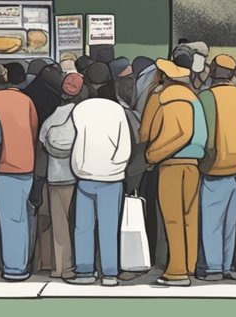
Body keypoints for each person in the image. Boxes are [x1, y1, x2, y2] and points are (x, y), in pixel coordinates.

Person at [144, 54, 207, 287]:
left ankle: (177, 271)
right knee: (189, 217)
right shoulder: (194, 99)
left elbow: (146, 133)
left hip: (170, 164)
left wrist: (152, 155)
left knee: (172, 219)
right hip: (193, 165)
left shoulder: (163, 98)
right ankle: (189, 265)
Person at [69, 83, 132, 286]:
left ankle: (85, 271)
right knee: (108, 227)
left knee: (83, 227)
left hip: (85, 176)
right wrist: (116, 166)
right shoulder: (118, 111)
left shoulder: (80, 109)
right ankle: (110, 273)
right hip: (112, 178)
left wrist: (78, 167)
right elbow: (125, 147)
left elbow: (75, 141)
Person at [197, 54, 236, 280]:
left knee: (211, 222)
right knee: (231, 223)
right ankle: (229, 266)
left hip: (214, 168)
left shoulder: (207, 96)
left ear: (212, 72)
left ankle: (213, 267)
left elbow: (207, 138)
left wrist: (204, 161)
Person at [0, 62, 40, 282]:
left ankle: (13, 268)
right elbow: (33, 130)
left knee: (8, 219)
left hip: (3, 165)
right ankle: (22, 263)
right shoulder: (27, 101)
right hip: (26, 164)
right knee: (22, 218)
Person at [38, 74, 80, 281]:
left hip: (54, 178)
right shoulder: (81, 117)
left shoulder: (50, 119)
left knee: (59, 226)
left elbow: (42, 146)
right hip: (77, 177)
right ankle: (81, 263)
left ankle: (61, 267)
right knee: (79, 224)